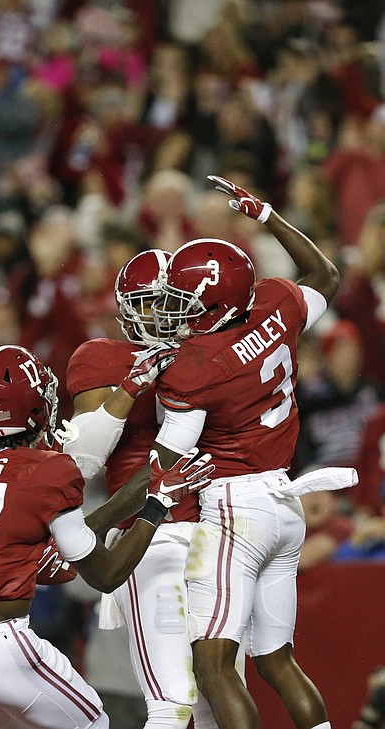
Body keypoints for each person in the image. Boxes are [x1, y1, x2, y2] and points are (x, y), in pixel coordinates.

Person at [0, 344, 215, 729]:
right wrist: (157, 506)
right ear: (33, 407)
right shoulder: (45, 475)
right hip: (0, 648)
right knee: (95, 723)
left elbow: (6, 505)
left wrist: (127, 390)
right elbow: (105, 575)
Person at [145, 176, 340, 729]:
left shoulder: (198, 364)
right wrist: (270, 217)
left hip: (234, 509)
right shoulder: (275, 302)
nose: (174, 309)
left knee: (211, 665)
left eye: (183, 299)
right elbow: (325, 274)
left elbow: (169, 457)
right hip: (285, 501)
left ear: (210, 301)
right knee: (278, 660)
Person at [64, 248, 228, 728]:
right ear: (124, 305)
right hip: (152, 535)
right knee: (175, 699)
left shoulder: (217, 354)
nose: (161, 314)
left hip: (217, 529)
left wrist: (95, 523)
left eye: (169, 301)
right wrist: (129, 388)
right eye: (148, 302)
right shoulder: (102, 357)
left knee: (212, 698)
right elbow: (80, 462)